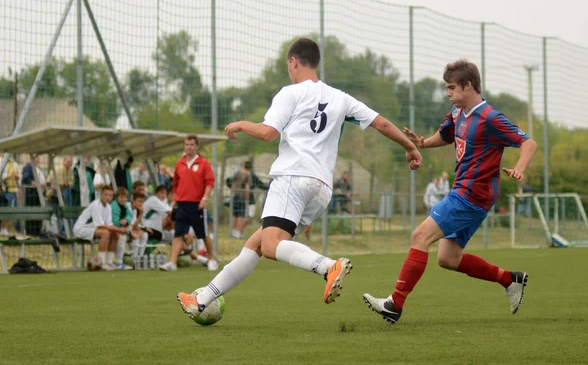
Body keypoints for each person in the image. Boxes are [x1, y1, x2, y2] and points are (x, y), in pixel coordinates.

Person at [176, 37, 421, 319]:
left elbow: (269, 132)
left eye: (288, 65)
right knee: (256, 244)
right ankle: (202, 298)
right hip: (321, 190)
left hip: (292, 177)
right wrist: (410, 147)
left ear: (293, 62)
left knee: (269, 245)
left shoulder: (289, 93)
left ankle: (328, 266)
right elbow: (382, 123)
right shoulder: (341, 98)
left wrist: (242, 124)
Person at [362, 59, 538, 324]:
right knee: (448, 258)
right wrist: (424, 143)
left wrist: (520, 168)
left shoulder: (490, 117)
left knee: (419, 235)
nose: (448, 93)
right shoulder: (458, 113)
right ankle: (509, 279)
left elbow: (528, 142)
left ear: (469, 86)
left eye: (452, 88)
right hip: (465, 193)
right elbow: (446, 135)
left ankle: (394, 304)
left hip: (471, 194)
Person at [159, 134, 219, 272]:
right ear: (183, 146)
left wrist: (204, 199)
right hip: (181, 205)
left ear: (197, 146)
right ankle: (172, 263)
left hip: (197, 205)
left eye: (192, 144)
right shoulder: (179, 163)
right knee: (178, 234)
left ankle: (211, 259)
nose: (189, 147)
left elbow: (210, 183)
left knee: (203, 234)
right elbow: (176, 185)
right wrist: (175, 199)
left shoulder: (203, 163)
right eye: (187, 144)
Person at [73, 185, 131, 271]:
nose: (108, 197)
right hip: (81, 229)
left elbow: (109, 225)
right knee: (106, 233)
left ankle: (109, 262)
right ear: (101, 195)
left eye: (110, 195)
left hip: (93, 229)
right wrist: (120, 229)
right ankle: (101, 262)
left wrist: (119, 231)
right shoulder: (96, 205)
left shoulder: (108, 207)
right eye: (106, 195)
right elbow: (100, 225)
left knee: (115, 235)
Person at [21, 156, 48, 236]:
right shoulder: (28, 167)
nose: (38, 159)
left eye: (38, 158)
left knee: (38, 212)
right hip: (31, 194)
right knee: (31, 212)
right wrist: (37, 184)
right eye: (36, 158)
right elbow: (26, 179)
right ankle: (30, 231)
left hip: (38, 194)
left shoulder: (37, 168)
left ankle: (37, 230)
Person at [110, 187, 134, 270]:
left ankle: (132, 259)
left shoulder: (126, 206)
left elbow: (130, 215)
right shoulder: (114, 206)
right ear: (116, 197)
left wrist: (126, 220)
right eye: (121, 197)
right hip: (112, 228)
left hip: (121, 228)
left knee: (128, 233)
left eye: (125, 197)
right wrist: (120, 223)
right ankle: (118, 262)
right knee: (121, 237)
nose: (123, 199)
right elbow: (114, 220)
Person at [230, 161, 253, 239]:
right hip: (242, 197)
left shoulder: (237, 174)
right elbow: (247, 188)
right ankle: (238, 232)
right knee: (241, 215)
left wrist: (233, 193)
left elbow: (233, 185)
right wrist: (247, 198)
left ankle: (232, 231)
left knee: (234, 214)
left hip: (235, 195)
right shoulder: (248, 176)